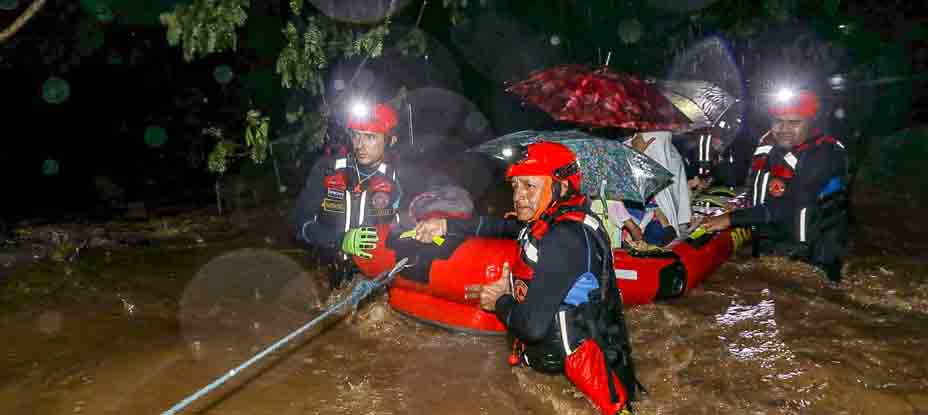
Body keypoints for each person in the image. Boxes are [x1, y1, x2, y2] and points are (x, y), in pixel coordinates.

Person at [414, 141, 641, 415]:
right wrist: (446, 224)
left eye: (529, 186)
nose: (518, 196)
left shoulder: (565, 239)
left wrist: (500, 301)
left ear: (561, 188)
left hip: (592, 384)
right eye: (515, 186)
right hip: (561, 372)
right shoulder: (546, 223)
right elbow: (499, 226)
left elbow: (532, 327)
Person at [700, 89, 849, 282]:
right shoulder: (770, 146)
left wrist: (730, 219)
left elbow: (790, 205)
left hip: (812, 253)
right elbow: (752, 181)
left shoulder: (825, 153)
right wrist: (710, 179)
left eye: (794, 122)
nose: (784, 129)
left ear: (811, 122)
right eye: (778, 121)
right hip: (771, 243)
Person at [292, 102, 404, 289]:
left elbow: (412, 225)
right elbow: (298, 225)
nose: (359, 145)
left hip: (379, 277)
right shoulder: (328, 169)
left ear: (390, 140)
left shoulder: (398, 179)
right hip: (329, 274)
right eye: (355, 135)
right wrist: (340, 240)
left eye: (370, 137)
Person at [623, 131, 692, 245]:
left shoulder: (670, 154)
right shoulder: (668, 152)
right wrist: (635, 155)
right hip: (638, 225)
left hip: (659, 226)